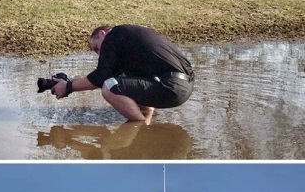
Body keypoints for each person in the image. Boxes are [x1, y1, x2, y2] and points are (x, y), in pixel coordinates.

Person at [39, 24, 194, 124]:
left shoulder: (114, 35)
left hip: (170, 85)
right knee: (118, 83)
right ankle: (147, 118)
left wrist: (69, 87)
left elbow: (102, 79)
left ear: (103, 34)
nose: (100, 54)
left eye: (96, 48)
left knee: (109, 87)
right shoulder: (130, 40)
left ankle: (140, 129)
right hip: (183, 87)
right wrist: (68, 82)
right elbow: (101, 77)